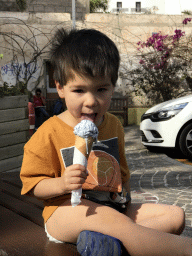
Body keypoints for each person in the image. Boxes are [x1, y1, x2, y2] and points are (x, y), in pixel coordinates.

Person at [20, 28, 192, 256]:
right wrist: (62, 183)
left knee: (174, 217)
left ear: (113, 86)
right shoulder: (49, 131)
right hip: (66, 211)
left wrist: (126, 199)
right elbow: (33, 185)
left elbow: (122, 172)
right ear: (60, 87)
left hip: (112, 207)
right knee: (112, 220)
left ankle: (107, 244)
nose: (91, 101)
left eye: (101, 89)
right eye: (79, 90)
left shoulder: (113, 125)